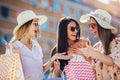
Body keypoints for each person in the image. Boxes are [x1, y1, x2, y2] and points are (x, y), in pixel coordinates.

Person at [6, 10, 72, 80]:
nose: (38, 27)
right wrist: (16, 56)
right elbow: (11, 76)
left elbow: (40, 70)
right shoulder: (13, 47)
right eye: (36, 24)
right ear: (26, 25)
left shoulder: (36, 46)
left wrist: (52, 59)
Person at [78, 9, 120, 80]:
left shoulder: (118, 42)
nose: (91, 28)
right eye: (90, 25)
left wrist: (94, 53)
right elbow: (93, 74)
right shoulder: (97, 47)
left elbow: (113, 61)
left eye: (93, 25)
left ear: (102, 26)